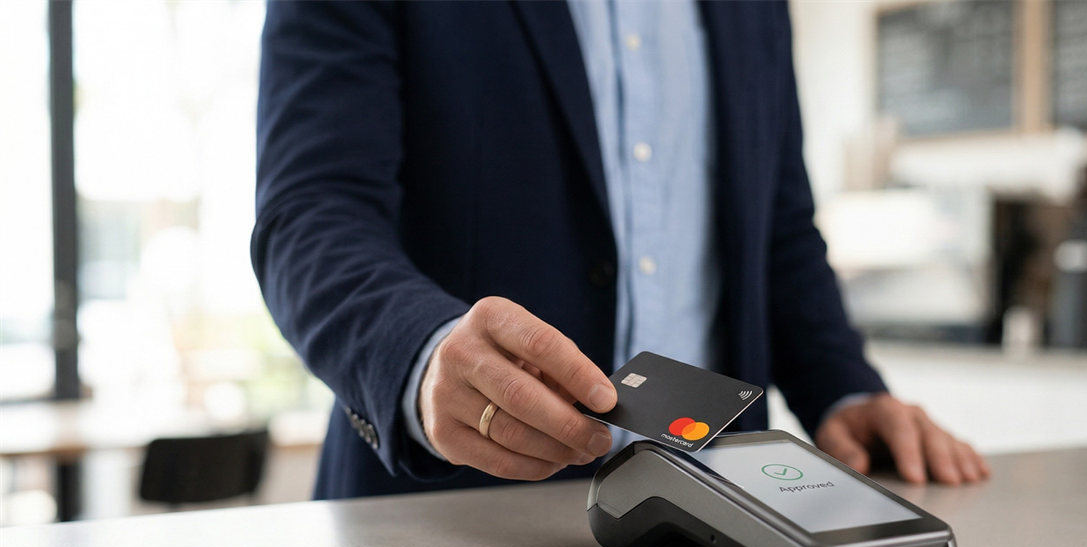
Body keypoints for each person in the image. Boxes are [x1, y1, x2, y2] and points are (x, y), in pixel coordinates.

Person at [253, 0, 990, 500]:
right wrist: (422, 351)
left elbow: (779, 229)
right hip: (452, 532)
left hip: (719, 534)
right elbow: (311, 212)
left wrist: (845, 391)